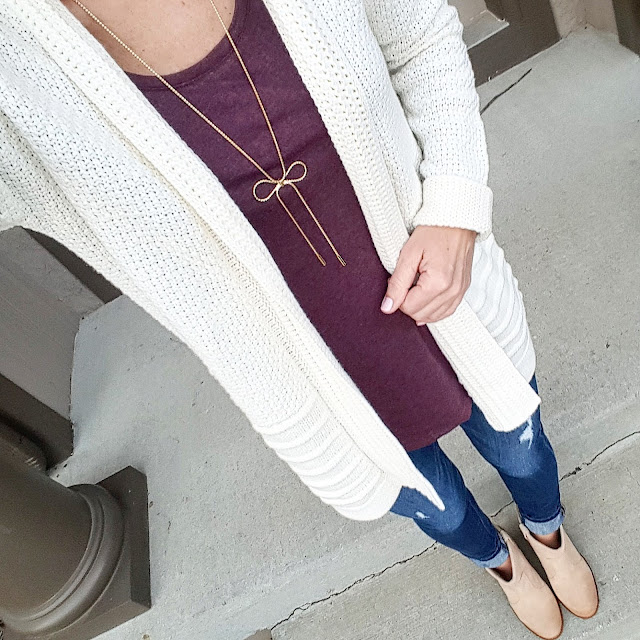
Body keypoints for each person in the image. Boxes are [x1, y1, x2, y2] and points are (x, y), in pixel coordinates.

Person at [0, 0, 597, 637]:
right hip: (305, 378)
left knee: (518, 441)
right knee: (435, 505)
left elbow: (419, 37)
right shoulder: (16, 61)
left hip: (443, 289)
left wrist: (455, 208)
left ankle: (547, 530)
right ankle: (500, 562)